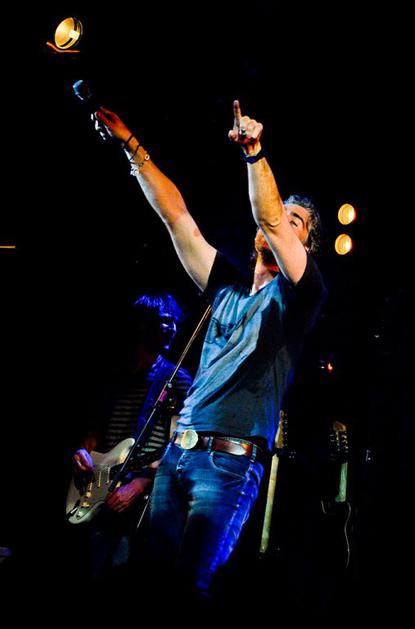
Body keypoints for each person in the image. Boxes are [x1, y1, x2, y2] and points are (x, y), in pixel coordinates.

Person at [92, 100, 327, 602]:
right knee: (148, 587)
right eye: (282, 214)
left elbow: (271, 220)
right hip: (178, 456)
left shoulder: (300, 295)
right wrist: (132, 147)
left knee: (190, 590)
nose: (282, 223)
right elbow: (176, 217)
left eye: (297, 222)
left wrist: (254, 154)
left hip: (228, 468)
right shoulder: (227, 286)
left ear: (306, 247)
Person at [69, 293, 193, 584]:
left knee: (125, 571)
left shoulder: (177, 379)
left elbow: (179, 445)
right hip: (99, 486)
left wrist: (141, 483)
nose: (173, 328)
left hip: (143, 497)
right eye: (166, 321)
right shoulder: (115, 376)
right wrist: (82, 452)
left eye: (175, 322)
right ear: (142, 324)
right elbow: (94, 432)